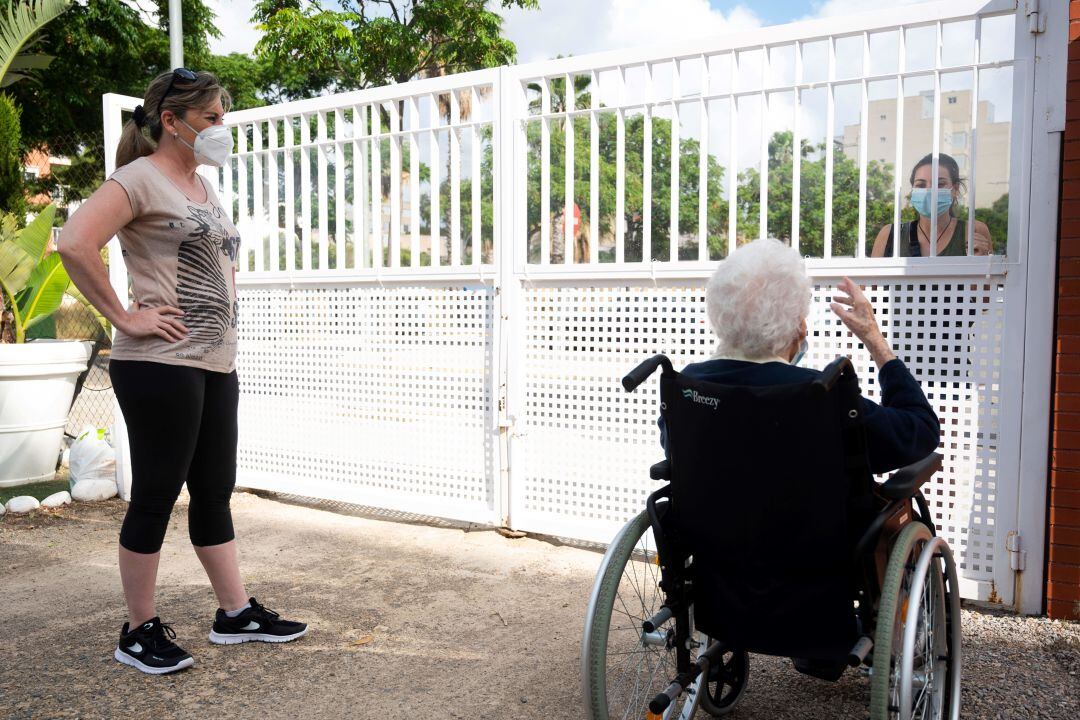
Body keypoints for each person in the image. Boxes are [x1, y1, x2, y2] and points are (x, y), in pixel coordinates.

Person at [58, 69, 306, 675]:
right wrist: (123, 314)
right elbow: (73, 242)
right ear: (172, 121)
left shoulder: (199, 186)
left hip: (214, 363)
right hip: (160, 365)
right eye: (212, 118)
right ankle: (137, 630)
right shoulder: (137, 179)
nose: (221, 128)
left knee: (214, 490)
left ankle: (234, 612)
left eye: (222, 117)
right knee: (156, 497)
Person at [663, 237, 940, 476]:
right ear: (797, 326)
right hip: (813, 536)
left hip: (707, 535)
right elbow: (920, 432)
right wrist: (874, 339)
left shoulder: (687, 384)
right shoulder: (822, 394)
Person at [870, 152, 992, 257]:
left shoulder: (973, 231)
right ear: (913, 190)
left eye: (940, 184)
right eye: (921, 185)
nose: (929, 191)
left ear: (955, 189)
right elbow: (868, 284)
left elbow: (988, 283)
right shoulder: (890, 235)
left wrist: (981, 261)